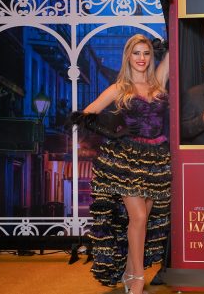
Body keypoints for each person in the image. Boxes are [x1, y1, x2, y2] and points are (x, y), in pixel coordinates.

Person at [71, 33, 170, 294]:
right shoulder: (119, 88)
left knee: (143, 219)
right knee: (138, 217)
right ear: (128, 56)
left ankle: (128, 272)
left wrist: (167, 36)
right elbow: (86, 115)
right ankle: (137, 278)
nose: (141, 58)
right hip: (127, 161)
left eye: (146, 53)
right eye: (136, 53)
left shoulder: (158, 82)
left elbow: (173, 53)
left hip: (155, 159)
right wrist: (114, 133)